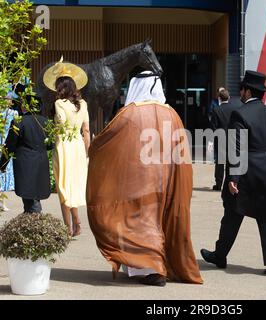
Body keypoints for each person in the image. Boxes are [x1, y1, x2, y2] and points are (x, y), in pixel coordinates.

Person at [86, 70, 203, 287]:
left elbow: (108, 142)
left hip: (138, 182)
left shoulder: (129, 113)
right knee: (158, 221)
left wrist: (94, 147)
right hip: (166, 182)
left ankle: (154, 267)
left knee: (139, 223)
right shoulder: (173, 114)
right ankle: (155, 265)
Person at [201, 71, 266, 277]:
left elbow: (237, 148)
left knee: (231, 214)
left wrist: (233, 178)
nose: (241, 94)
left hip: (247, 175)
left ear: (247, 91)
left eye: (242, 90)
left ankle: (220, 255)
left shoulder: (240, 114)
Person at [43, 57, 90, 237]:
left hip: (63, 146)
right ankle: (76, 222)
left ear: (62, 88)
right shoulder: (83, 104)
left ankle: (68, 227)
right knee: (73, 185)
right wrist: (87, 152)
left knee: (63, 187)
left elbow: (60, 125)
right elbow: (86, 130)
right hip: (78, 146)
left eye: (57, 86)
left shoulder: (58, 103)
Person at [0, 91, 52, 214]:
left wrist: (2, 164)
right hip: (41, 162)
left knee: (30, 200)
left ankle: (34, 224)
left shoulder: (19, 122)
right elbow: (51, 144)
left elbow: (10, 145)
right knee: (34, 197)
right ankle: (33, 223)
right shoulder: (45, 122)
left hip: (25, 163)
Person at [210, 89, 240, 191]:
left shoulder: (216, 110)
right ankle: (231, 183)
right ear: (229, 98)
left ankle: (218, 185)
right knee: (232, 162)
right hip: (233, 138)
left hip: (221, 139)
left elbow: (214, 127)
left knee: (220, 163)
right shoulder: (235, 109)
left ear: (219, 98)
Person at [0, 89, 18, 211]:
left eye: (9, 99)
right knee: (2, 172)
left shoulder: (14, 114)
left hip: (7, 144)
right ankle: (1, 202)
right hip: (4, 144)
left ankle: (1, 202)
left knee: (4, 172)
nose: (8, 101)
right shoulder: (9, 113)